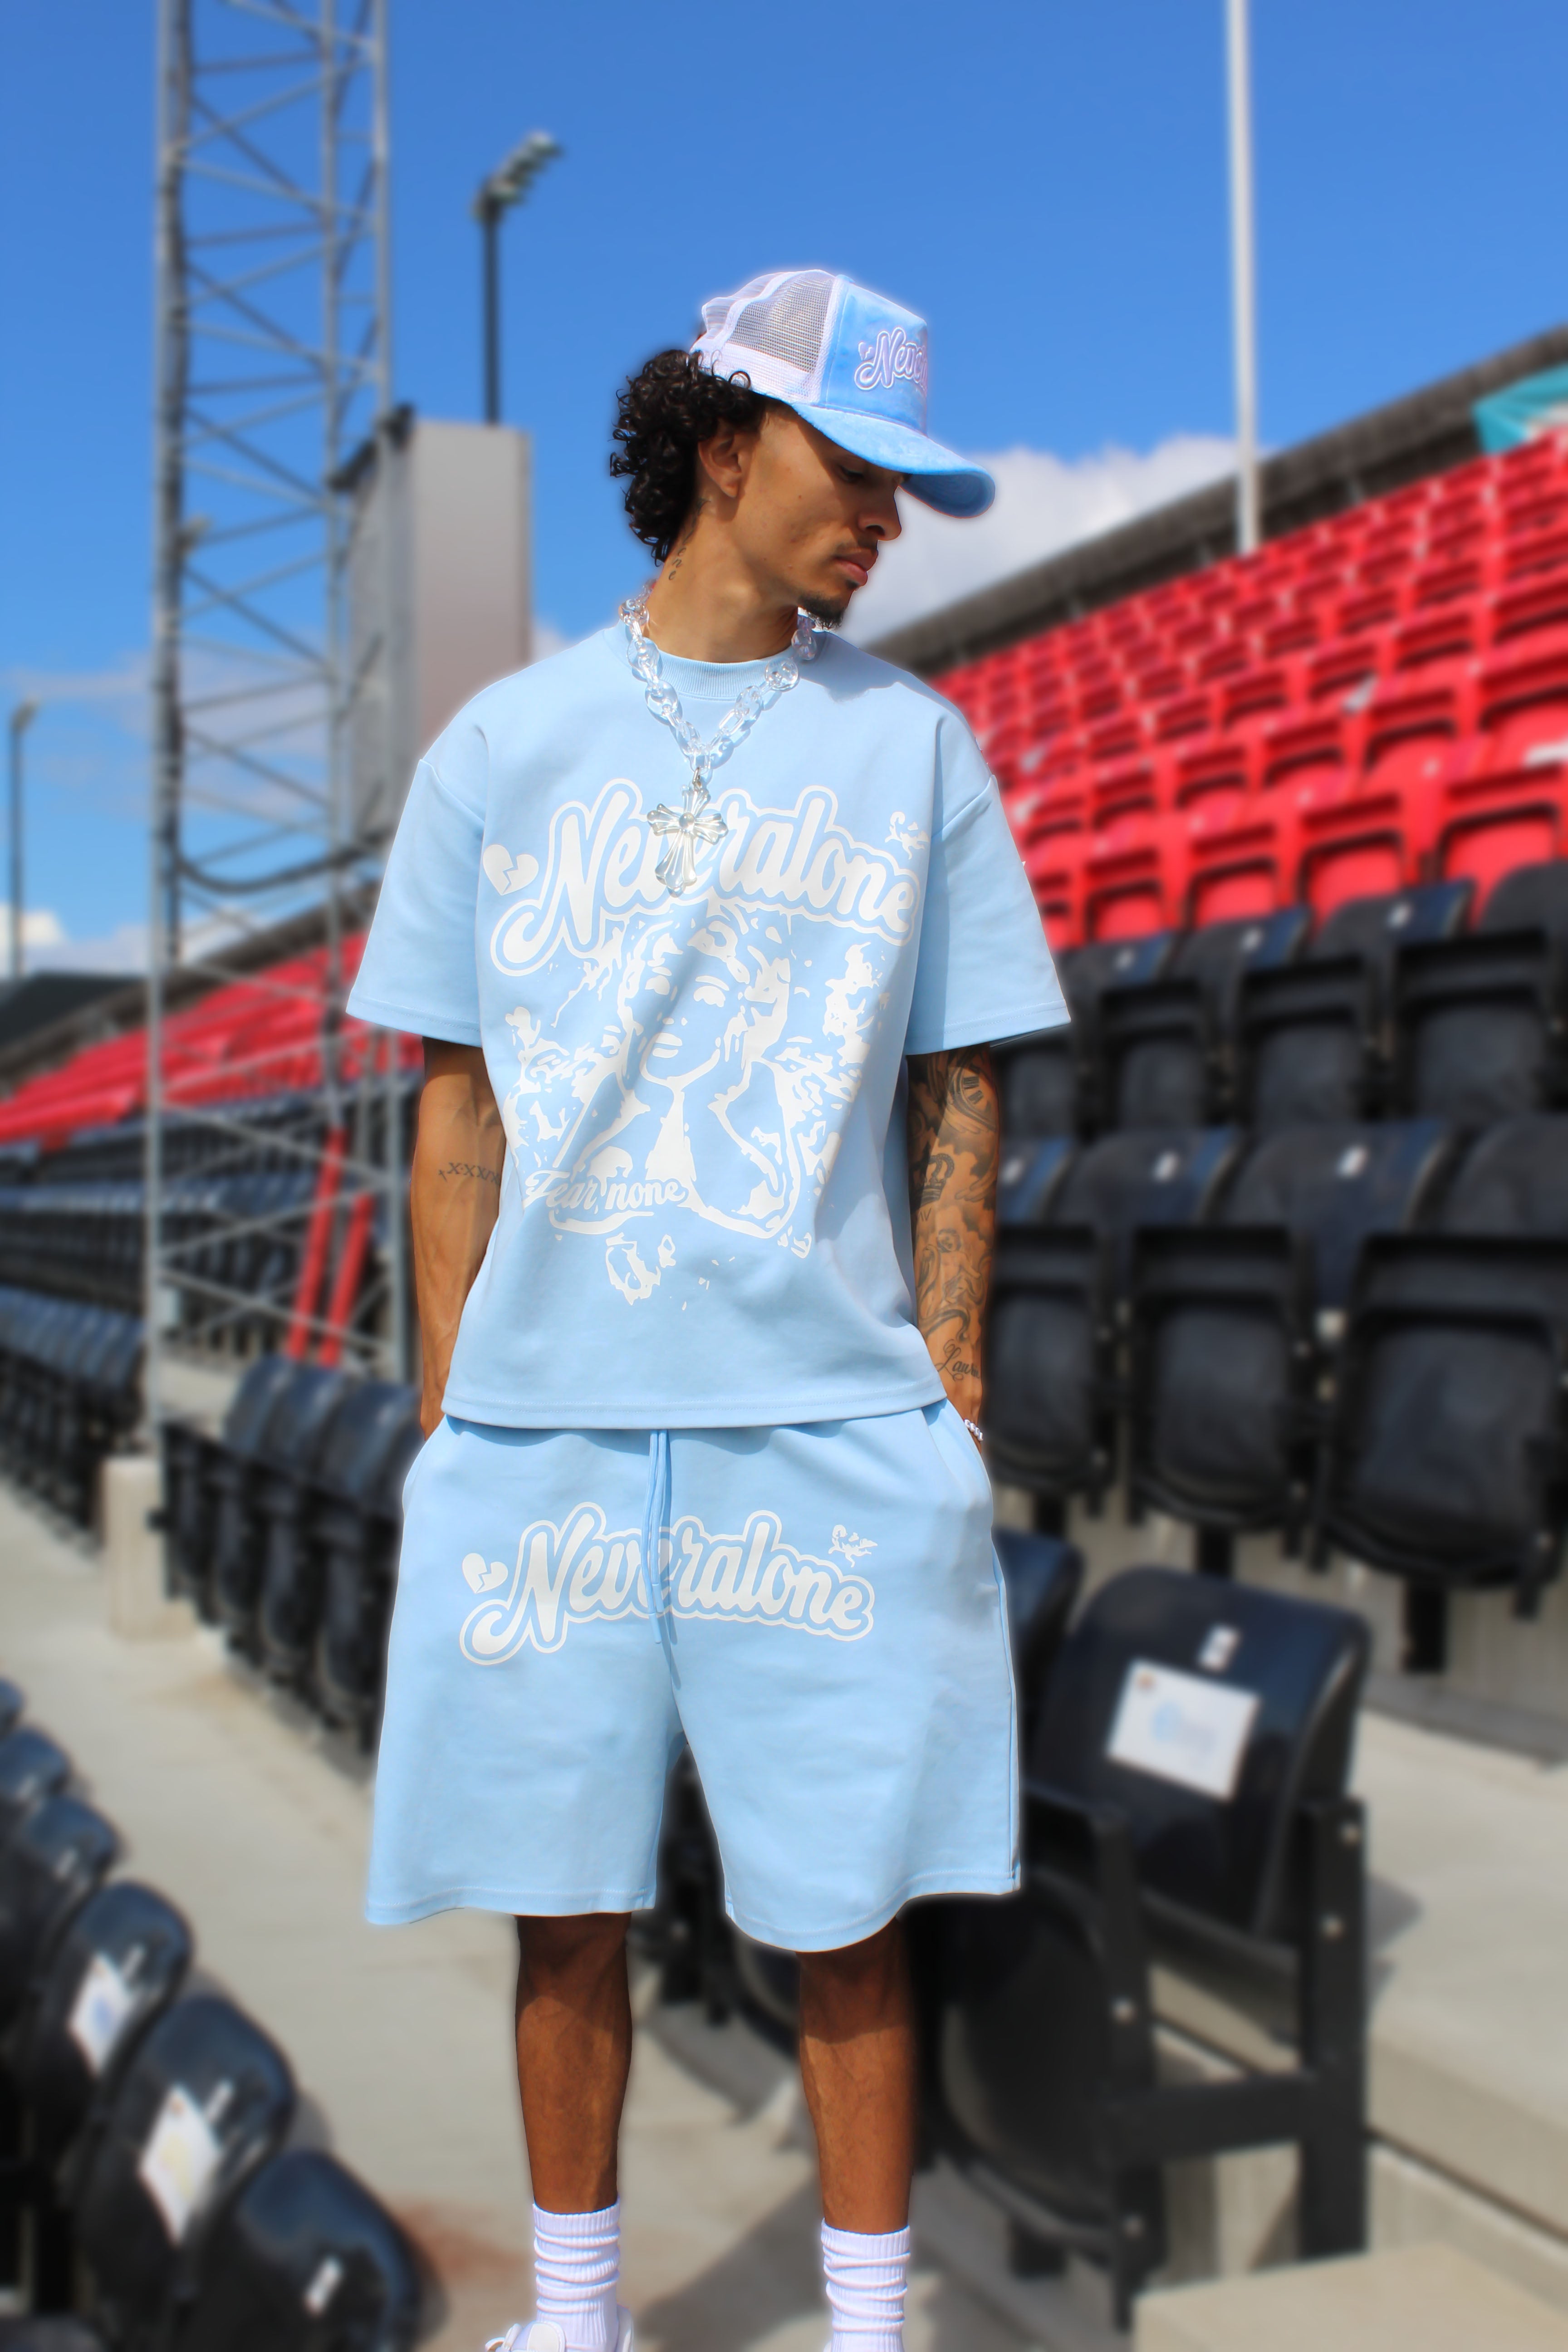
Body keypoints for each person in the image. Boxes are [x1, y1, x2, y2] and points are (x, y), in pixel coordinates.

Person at [347, 267, 1067, 2352]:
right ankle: (577, 2318)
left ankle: (869, 2328)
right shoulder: (505, 747)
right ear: (726, 446)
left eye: (911, 486)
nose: (891, 519)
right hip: (551, 1429)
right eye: (862, 468)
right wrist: (451, 1409)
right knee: (562, 1907)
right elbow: (456, 1104)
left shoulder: (914, 750)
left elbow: (960, 1082)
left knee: (849, 1915)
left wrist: (946, 1392)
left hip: (821, 1429)